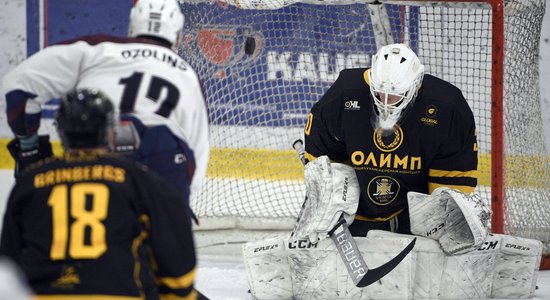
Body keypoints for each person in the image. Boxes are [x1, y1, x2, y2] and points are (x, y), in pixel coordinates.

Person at [1, 0, 209, 220]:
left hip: (95, 153)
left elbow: (18, 87)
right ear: (177, 37)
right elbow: (195, 153)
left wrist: (30, 150)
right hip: (160, 163)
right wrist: (179, 204)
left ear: (131, 28)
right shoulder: (189, 76)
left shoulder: (98, 48)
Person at [0, 89, 198, 299]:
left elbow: (8, 269)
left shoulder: (30, 180)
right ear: (109, 131)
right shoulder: (137, 178)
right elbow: (177, 259)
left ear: (61, 130)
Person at [302, 43, 478, 237]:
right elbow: (322, 156)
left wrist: (441, 222)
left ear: (415, 84)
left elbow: (453, 174)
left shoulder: (447, 106)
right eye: (381, 92)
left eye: (395, 95)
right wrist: (329, 199)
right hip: (356, 212)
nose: (386, 101)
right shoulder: (344, 95)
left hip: (415, 217)